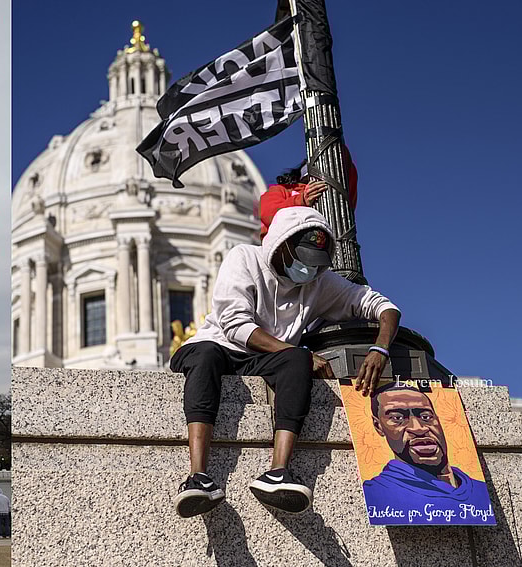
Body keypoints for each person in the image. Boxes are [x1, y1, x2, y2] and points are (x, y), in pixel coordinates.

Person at [170, 206, 399, 518]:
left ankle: (278, 472)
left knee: (296, 361)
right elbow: (235, 324)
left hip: (262, 359)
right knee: (208, 356)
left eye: (317, 265)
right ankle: (198, 476)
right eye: (303, 260)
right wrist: (295, 352)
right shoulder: (244, 257)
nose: (308, 270)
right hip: (218, 345)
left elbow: (382, 306)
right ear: (281, 245)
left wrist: (380, 349)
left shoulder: (319, 282)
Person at [362, 383, 491, 523]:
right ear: (378, 426)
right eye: (397, 418)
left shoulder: (479, 490)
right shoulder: (378, 492)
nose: (418, 428)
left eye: (426, 416)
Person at [258, 144, 358, 240]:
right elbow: (268, 213)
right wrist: (301, 201)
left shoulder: (336, 190)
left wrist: (332, 138)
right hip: (287, 248)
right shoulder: (282, 190)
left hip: (331, 244)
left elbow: (345, 164)